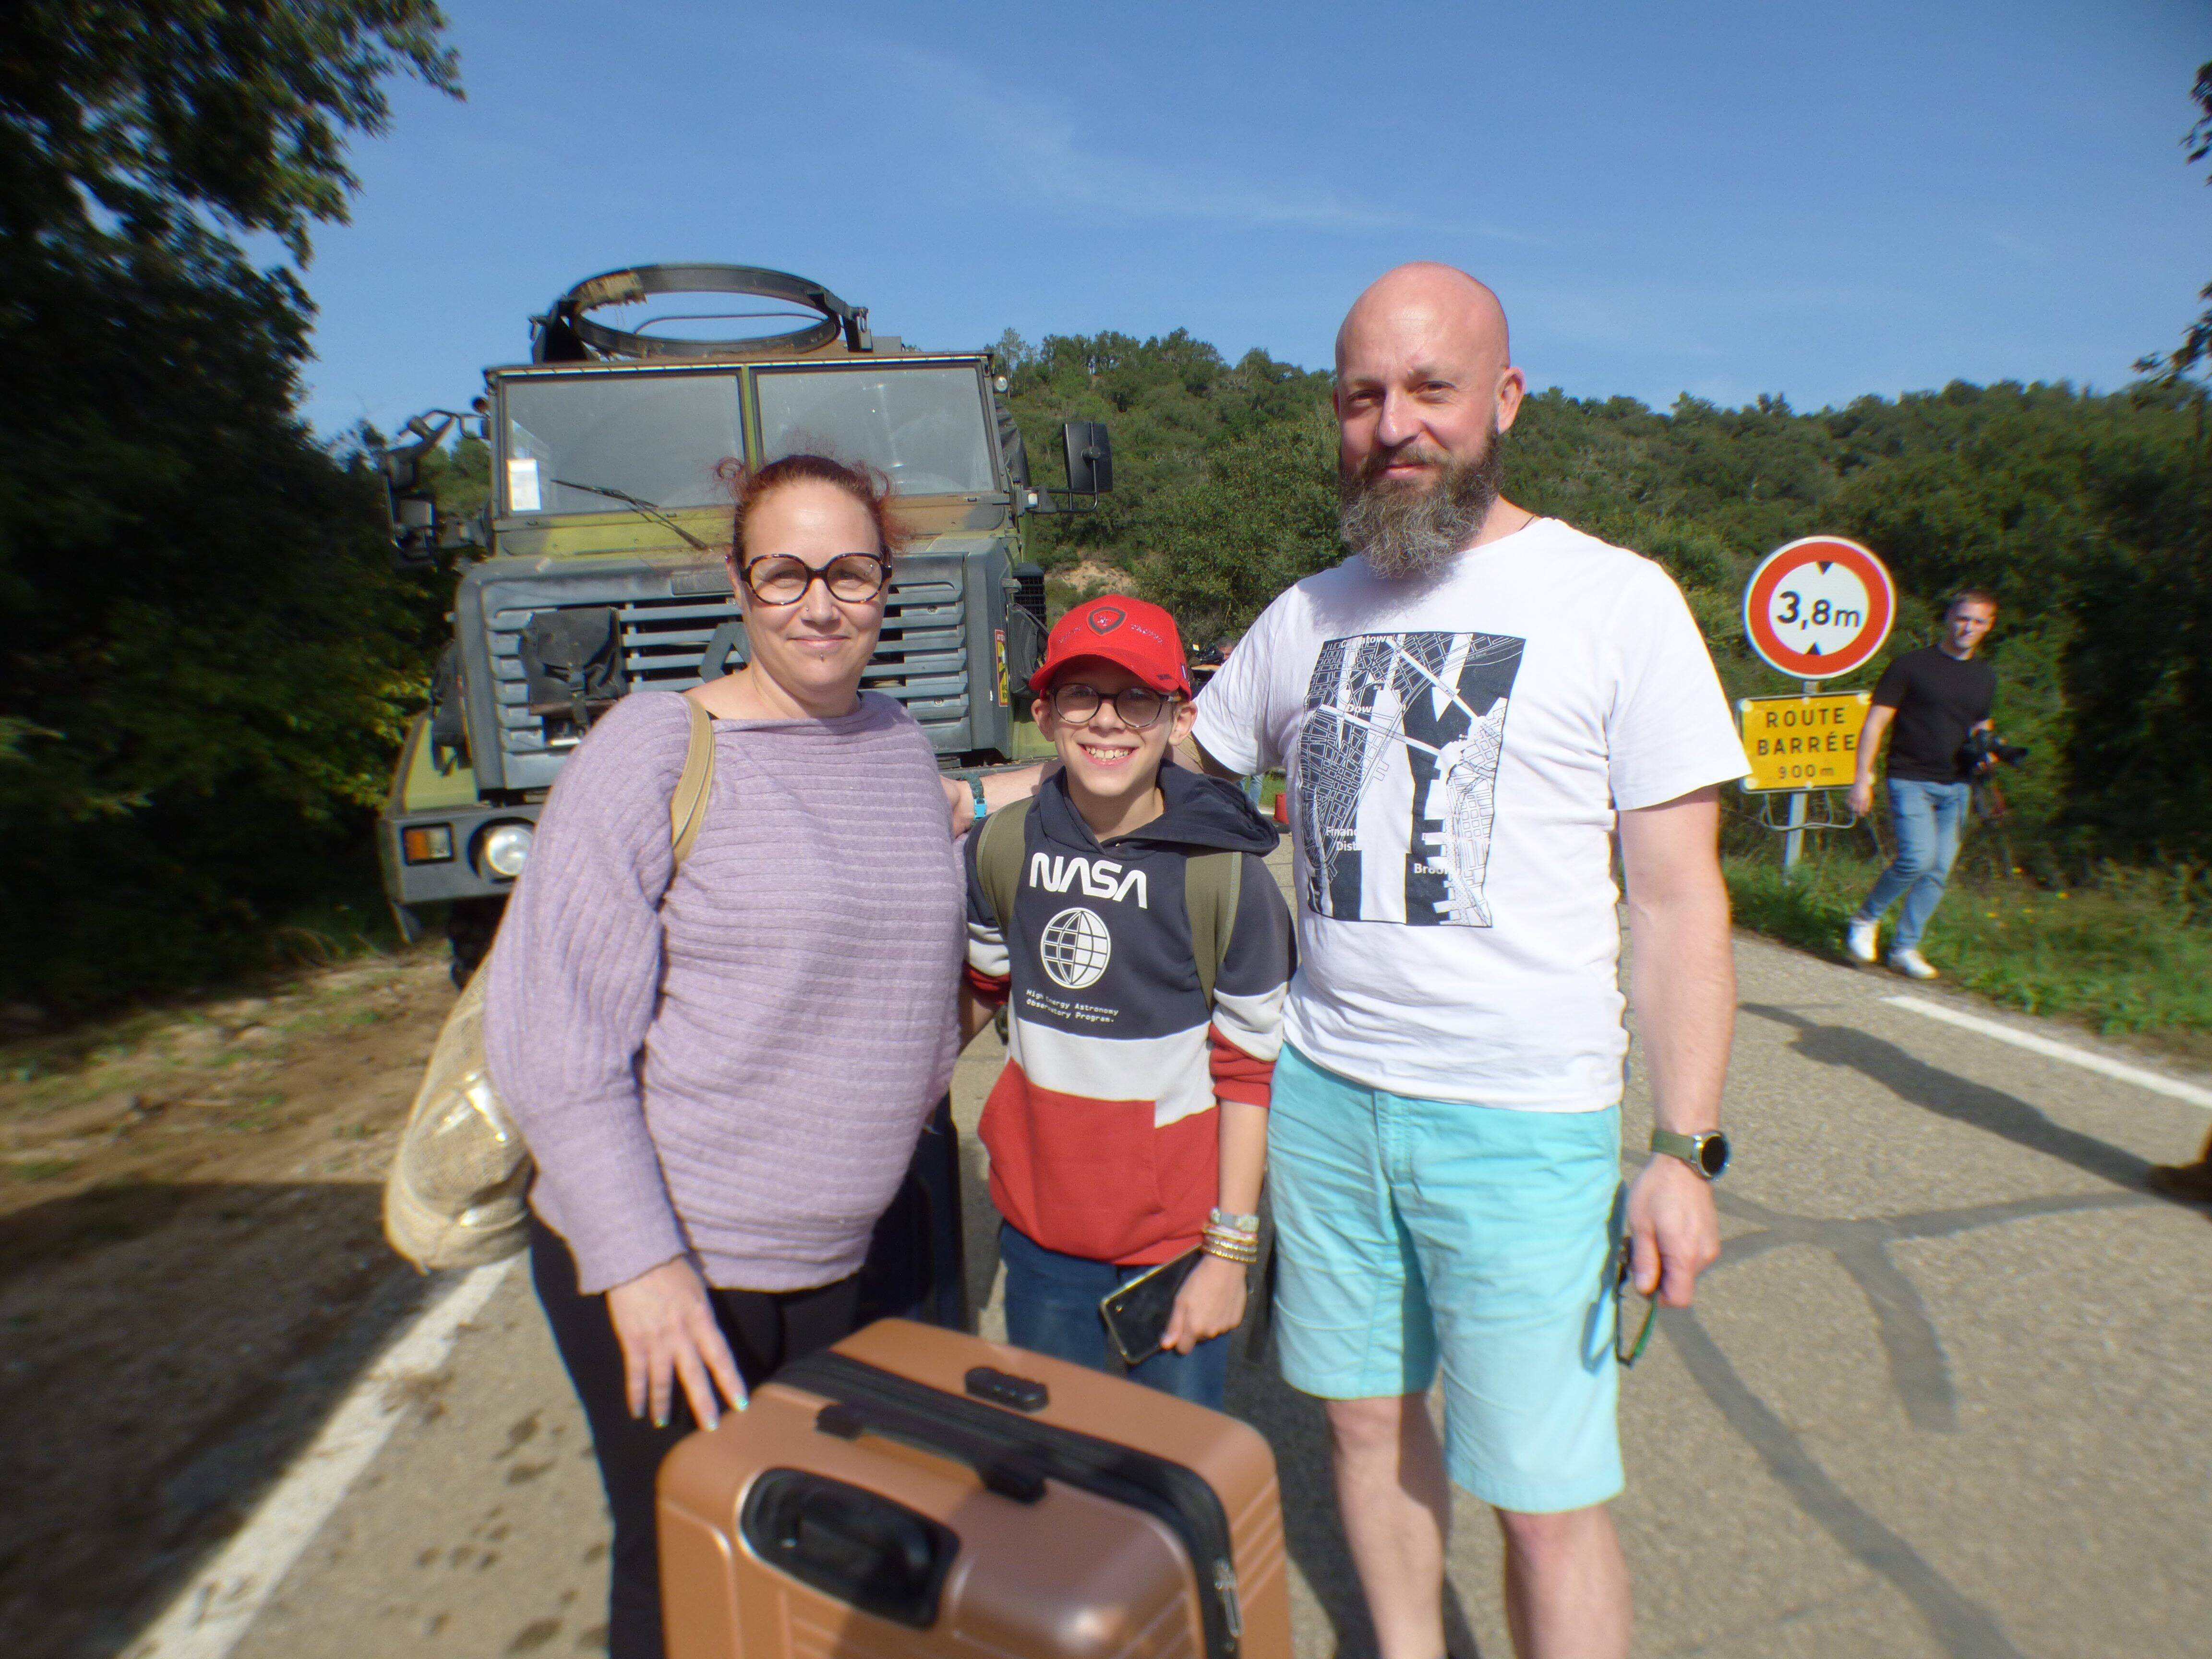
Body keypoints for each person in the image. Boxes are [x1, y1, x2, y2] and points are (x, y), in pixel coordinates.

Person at [1182, 264, 1746, 1659]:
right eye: (1365, 396)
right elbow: (1151, 784)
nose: (1395, 427)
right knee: (1365, 1434)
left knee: (1546, 1499)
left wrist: (1682, 1145)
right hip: (1326, 1101)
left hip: (1523, 1124)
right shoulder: (1303, 616)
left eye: (1431, 390)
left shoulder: (1616, 601)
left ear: (1504, 400)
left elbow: (1679, 903)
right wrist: (951, 802)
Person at [483, 455, 966, 1659]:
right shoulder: (655, 746)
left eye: (849, 571)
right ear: (741, 587)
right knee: (691, 1575)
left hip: (847, 1261)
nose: (819, 601)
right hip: (683, 1260)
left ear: (885, 582)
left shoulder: (900, 742)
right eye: (785, 571)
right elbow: (552, 1038)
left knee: (814, 1568)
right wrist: (639, 1263)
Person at [961, 597, 1294, 1408]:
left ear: (1179, 716)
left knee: (1167, 1476)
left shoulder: (1227, 878)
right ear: (1042, 712)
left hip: (1177, 1244)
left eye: (1137, 697)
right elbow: (975, 994)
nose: (1107, 722)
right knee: (1056, 1467)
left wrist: (1227, 1255)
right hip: (1041, 1236)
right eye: (1082, 695)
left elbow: (1249, 1076)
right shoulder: (999, 846)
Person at [1843, 591, 2002, 980]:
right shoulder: (1911, 666)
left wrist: (1989, 750)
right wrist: (1863, 778)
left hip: (1958, 785)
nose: (1968, 628)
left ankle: (1905, 948)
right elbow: (1876, 723)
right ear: (1948, 618)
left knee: (1938, 871)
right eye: (1963, 618)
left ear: (1989, 626)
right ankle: (1866, 919)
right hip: (1910, 776)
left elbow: (1980, 723)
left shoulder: (1984, 676)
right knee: (1917, 857)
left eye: (1978, 622)